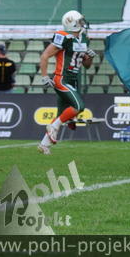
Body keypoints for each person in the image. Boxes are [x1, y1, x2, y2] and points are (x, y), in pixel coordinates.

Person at [37, 10, 96, 155]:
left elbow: (87, 65)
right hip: (61, 79)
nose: (83, 23)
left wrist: (90, 57)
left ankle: (44, 145)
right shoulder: (63, 37)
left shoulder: (84, 38)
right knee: (79, 106)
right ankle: (53, 126)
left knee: (61, 114)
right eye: (80, 21)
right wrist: (44, 76)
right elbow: (45, 56)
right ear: (72, 23)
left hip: (72, 79)